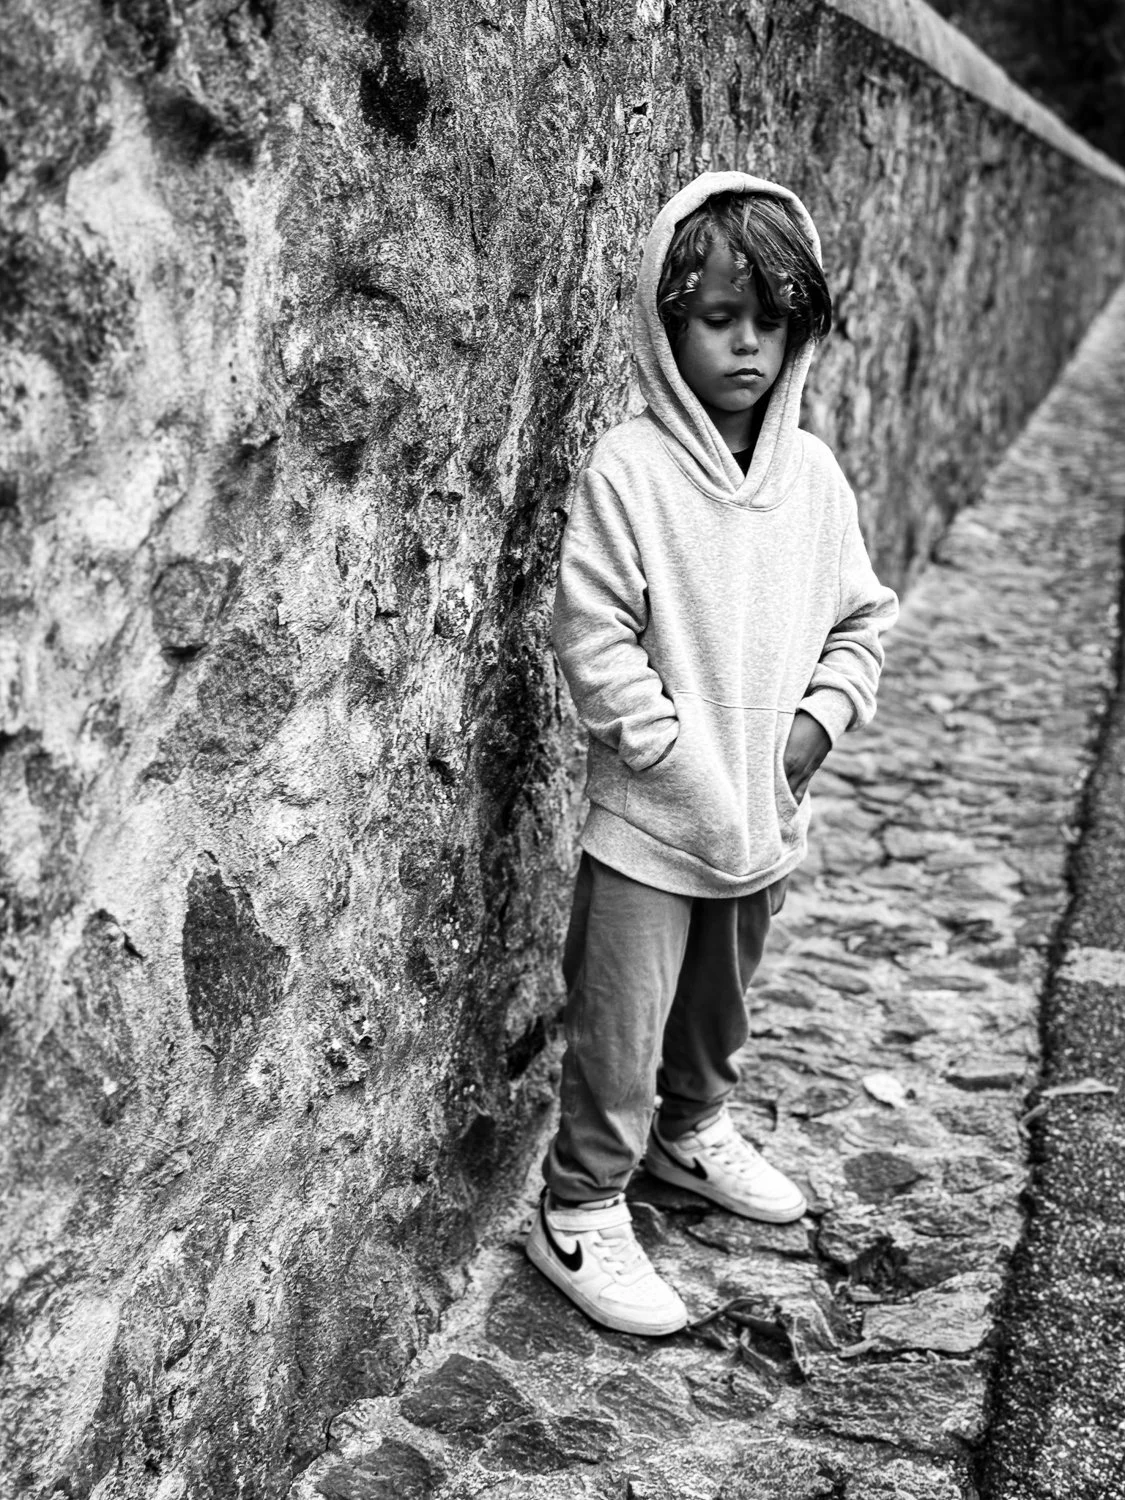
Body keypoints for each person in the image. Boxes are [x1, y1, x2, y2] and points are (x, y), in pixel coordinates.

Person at [525, 171, 899, 1337]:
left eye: (772, 319)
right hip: (652, 820)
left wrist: (805, 736)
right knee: (621, 1023)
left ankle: (691, 1137)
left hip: (763, 812)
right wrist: (680, 759)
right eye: (718, 316)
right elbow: (594, 640)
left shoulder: (817, 481)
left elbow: (861, 620)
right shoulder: (628, 472)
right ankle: (579, 1210)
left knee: (714, 1016)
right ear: (666, 316)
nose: (747, 344)